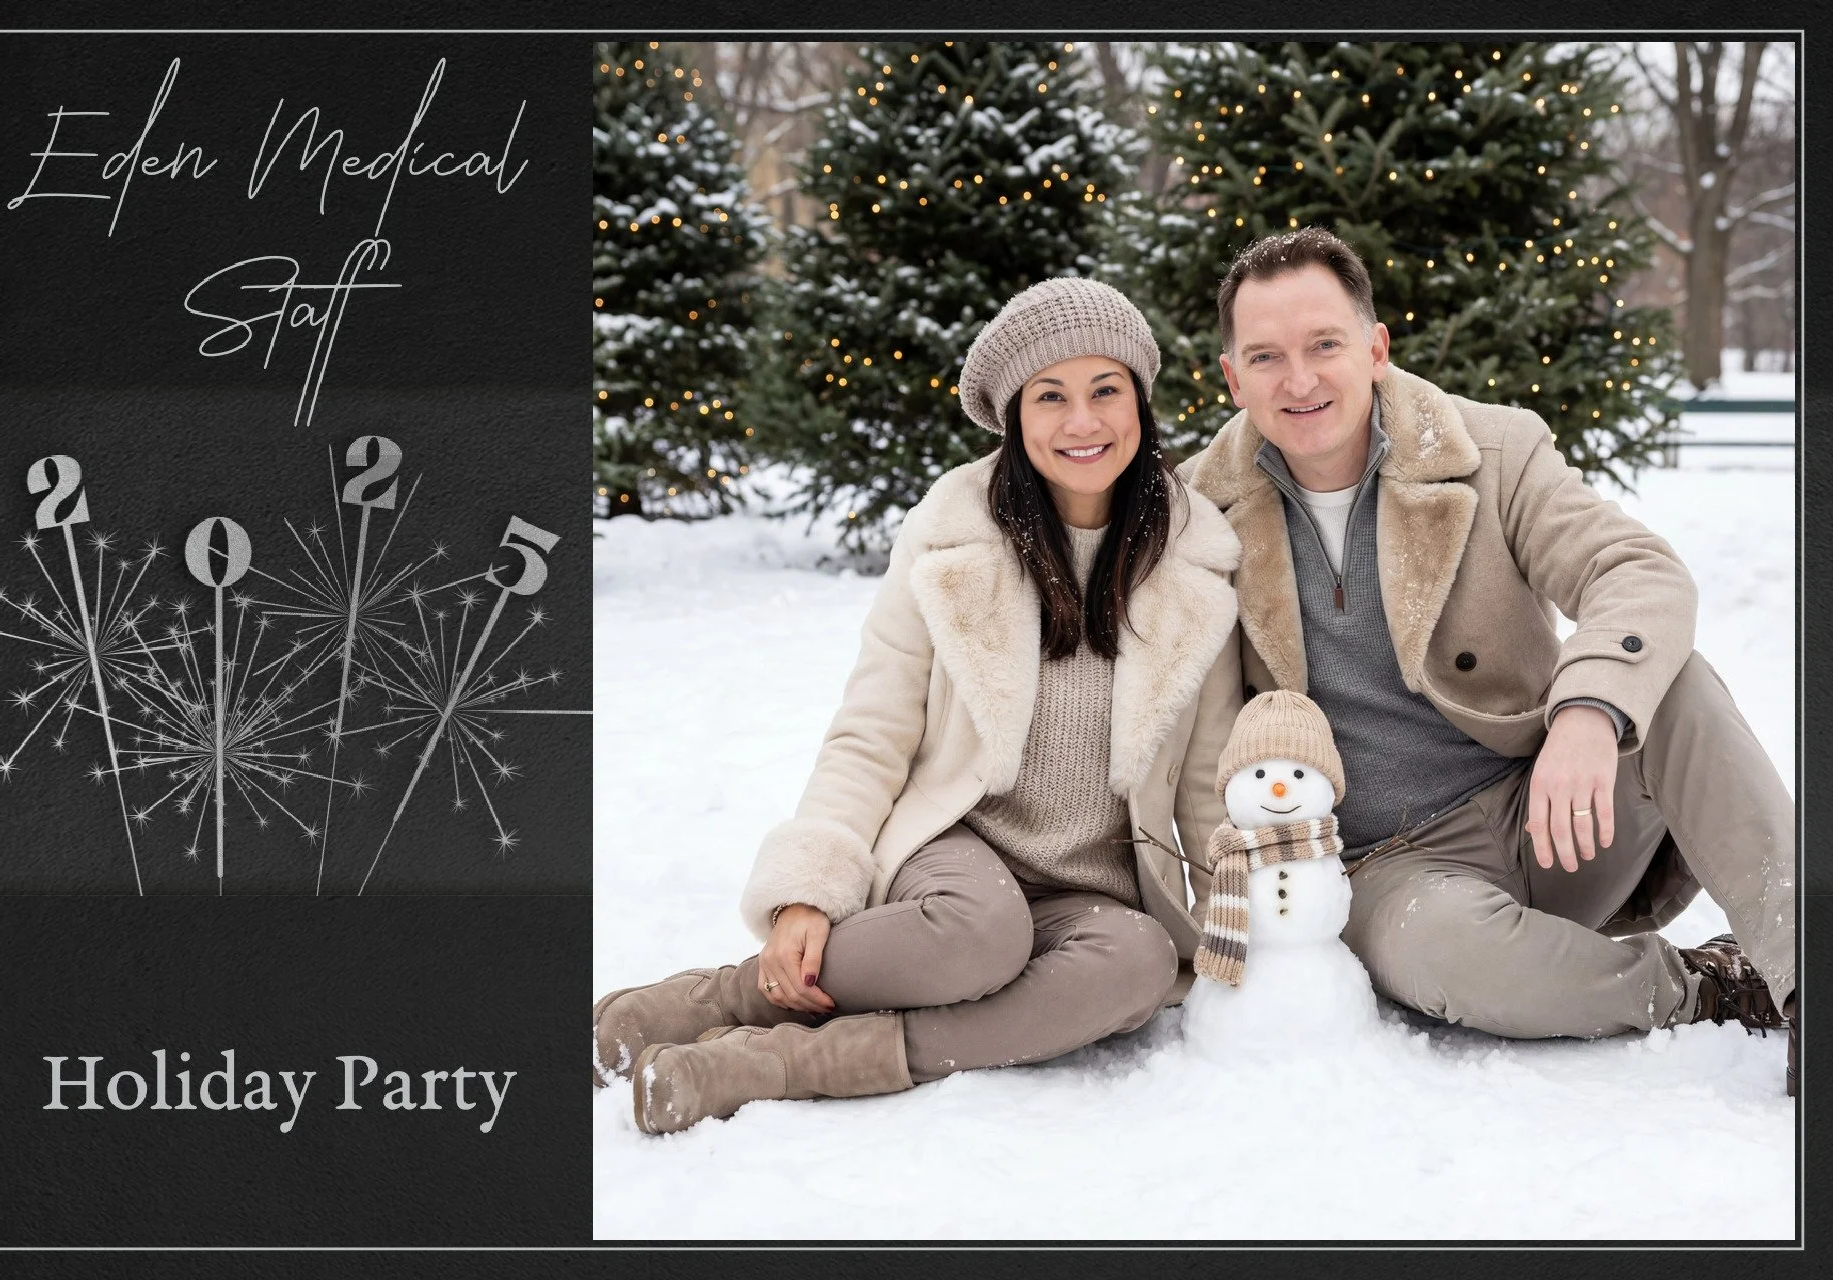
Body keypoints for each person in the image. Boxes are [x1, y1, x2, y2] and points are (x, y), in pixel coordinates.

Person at [594, 278, 1245, 1133]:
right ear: (1014, 417)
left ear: (1140, 400)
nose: (1081, 422)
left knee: (1139, 965)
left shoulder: (1198, 561)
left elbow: (1207, 784)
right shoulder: (953, 538)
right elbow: (872, 730)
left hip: (1093, 889)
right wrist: (807, 896)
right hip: (957, 851)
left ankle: (791, 1063)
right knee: (981, 934)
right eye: (1050, 396)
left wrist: (1239, 931)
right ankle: (729, 995)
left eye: (1104, 390)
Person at [1181, 227, 1797, 1095]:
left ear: (1375, 347)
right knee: (1449, 962)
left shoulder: (1495, 452)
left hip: (1550, 806)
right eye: (1267, 357)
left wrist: (1587, 715)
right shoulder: (1199, 514)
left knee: (1676, 684)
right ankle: (1704, 987)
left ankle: (1806, 975)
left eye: (1325, 344)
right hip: (1393, 872)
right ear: (1232, 378)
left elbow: (1637, 572)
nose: (1302, 379)